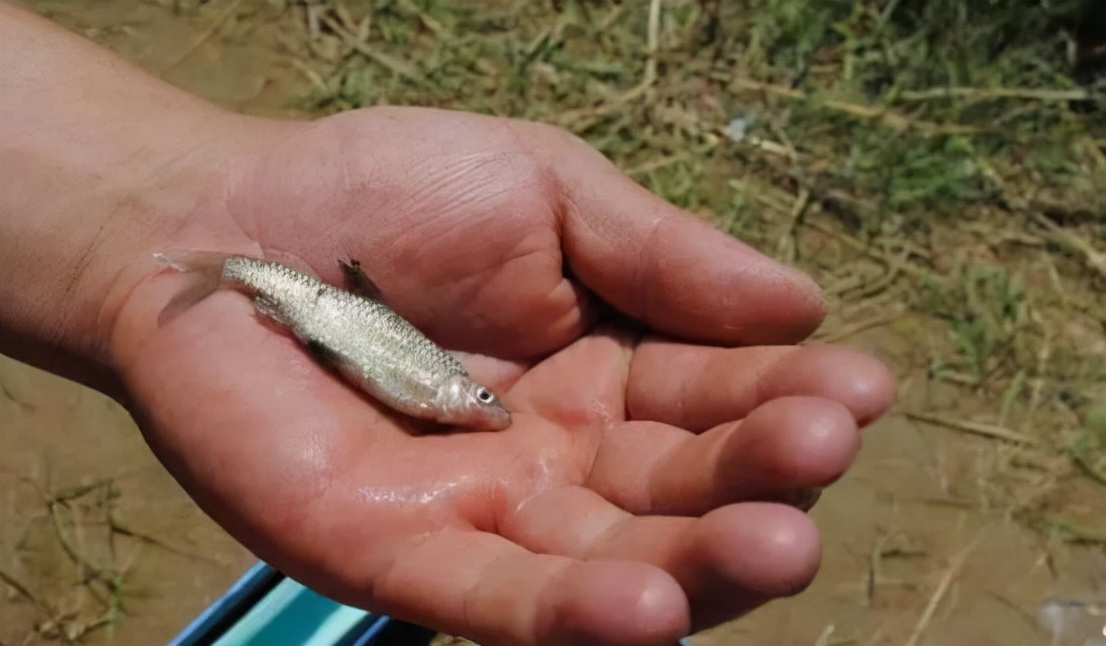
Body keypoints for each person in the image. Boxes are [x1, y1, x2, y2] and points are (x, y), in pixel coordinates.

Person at [0, 4, 895, 645]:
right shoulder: (432, 382)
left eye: (475, 398)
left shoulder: (440, 393)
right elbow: (400, 366)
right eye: (473, 397)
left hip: (314, 307)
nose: (481, 405)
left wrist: (133, 228)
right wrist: (149, 228)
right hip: (313, 304)